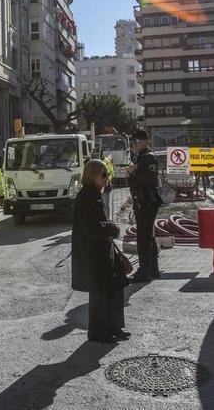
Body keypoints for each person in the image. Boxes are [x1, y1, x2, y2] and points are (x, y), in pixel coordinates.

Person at [71, 159, 129, 344]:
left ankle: (113, 326)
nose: (107, 178)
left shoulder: (94, 194)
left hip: (103, 251)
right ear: (92, 175)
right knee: (99, 293)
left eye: (107, 174)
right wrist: (112, 228)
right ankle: (97, 332)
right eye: (104, 174)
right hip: (94, 254)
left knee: (114, 287)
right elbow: (91, 228)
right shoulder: (86, 197)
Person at [126, 129, 162, 282]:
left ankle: (144, 269)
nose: (134, 145)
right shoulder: (140, 157)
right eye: (133, 142)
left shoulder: (149, 157)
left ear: (145, 141)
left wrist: (134, 171)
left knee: (143, 236)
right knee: (147, 235)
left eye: (136, 141)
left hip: (147, 201)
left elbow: (150, 178)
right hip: (142, 201)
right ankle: (152, 268)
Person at [102, 155, 115, 219]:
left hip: (105, 187)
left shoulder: (106, 161)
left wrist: (108, 180)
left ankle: (107, 219)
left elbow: (112, 172)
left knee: (106, 204)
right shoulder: (94, 161)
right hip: (98, 187)